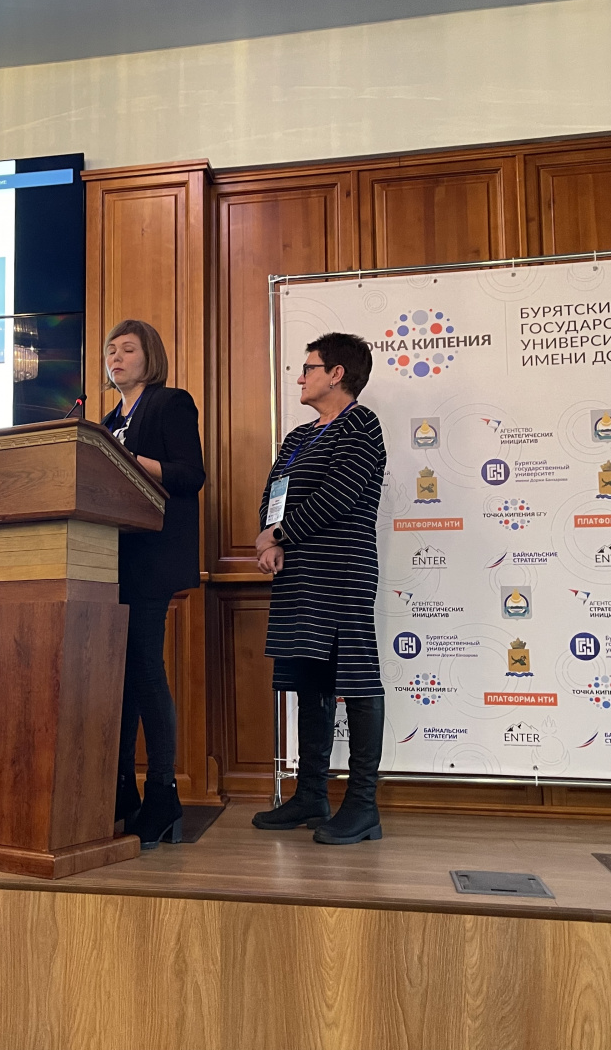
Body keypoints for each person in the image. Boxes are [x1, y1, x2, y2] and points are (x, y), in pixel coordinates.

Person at [251, 333, 387, 845]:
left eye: (308, 368)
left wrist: (280, 535)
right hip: (298, 574)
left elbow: (339, 495)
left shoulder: (360, 424)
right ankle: (311, 794)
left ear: (336, 374)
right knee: (309, 679)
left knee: (356, 677)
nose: (299, 378)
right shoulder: (297, 438)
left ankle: (363, 806)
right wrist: (269, 539)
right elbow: (274, 494)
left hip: (342, 571)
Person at [100, 319, 205, 849]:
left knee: (144, 668)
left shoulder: (169, 403)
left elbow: (191, 474)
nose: (116, 358)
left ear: (150, 358)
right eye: (110, 351)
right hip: (108, 560)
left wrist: (129, 460)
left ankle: (163, 792)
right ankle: (123, 791)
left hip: (153, 557)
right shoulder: (104, 422)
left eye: (127, 349)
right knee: (118, 677)